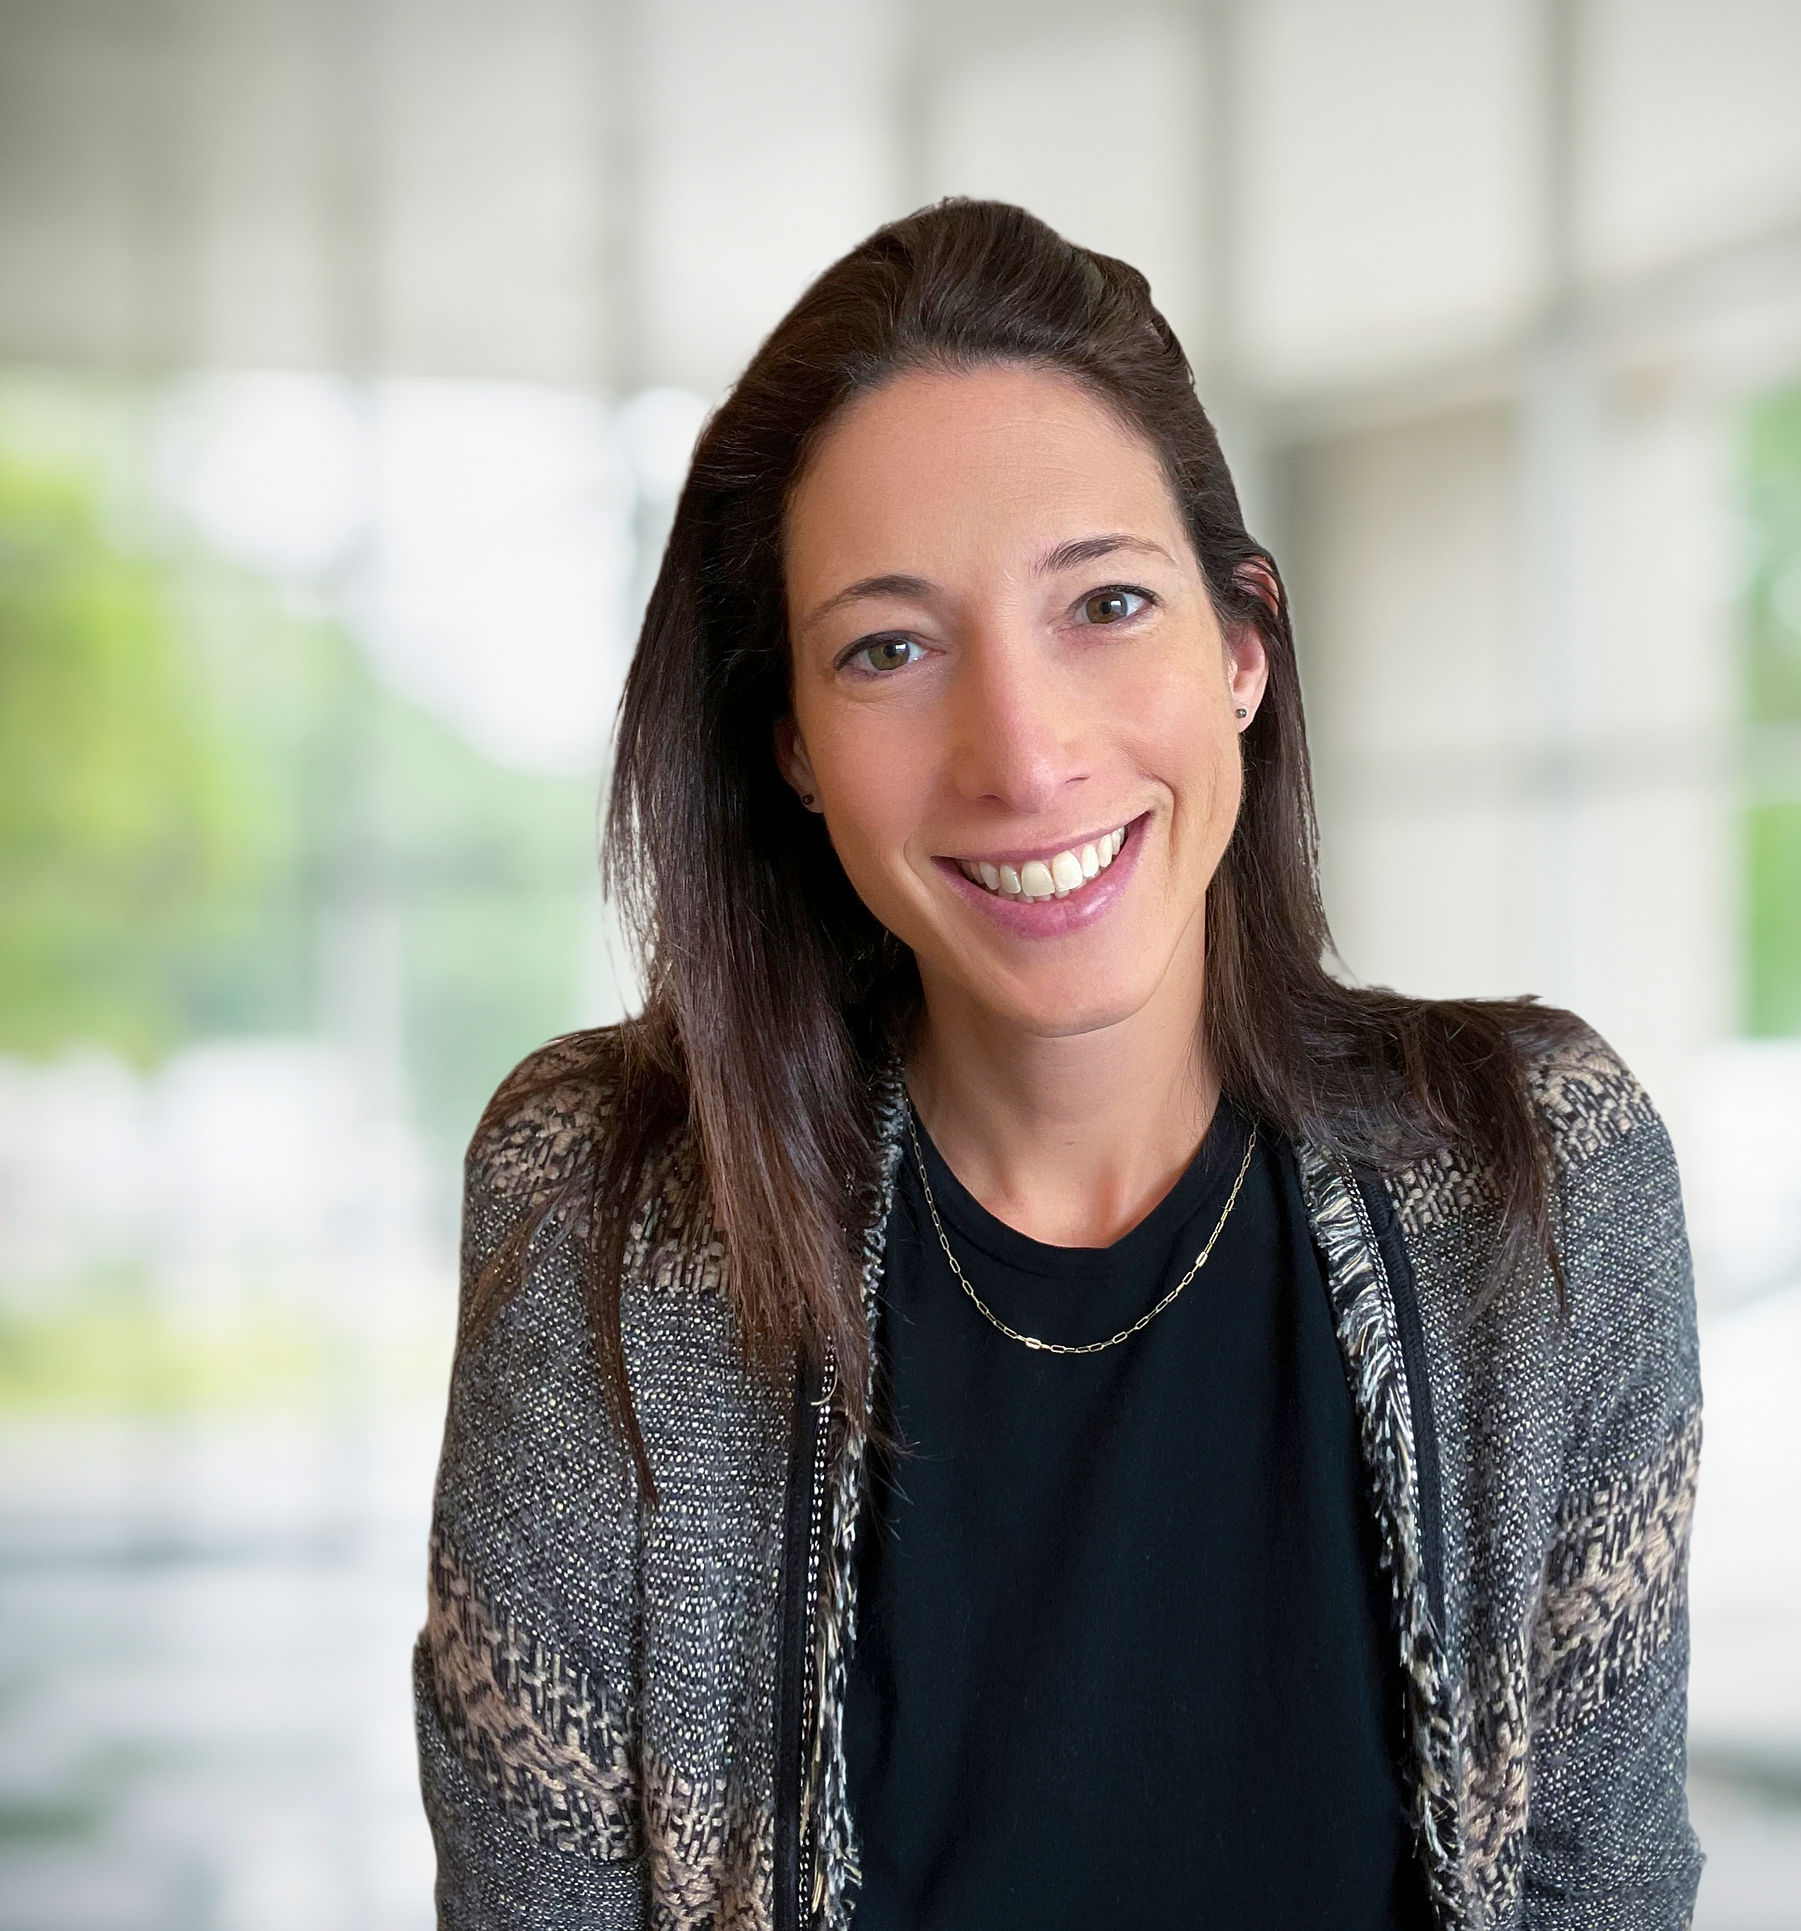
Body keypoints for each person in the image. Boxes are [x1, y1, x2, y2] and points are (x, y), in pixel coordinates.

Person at [413, 199, 1704, 1931]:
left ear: (1242, 648)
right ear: (791, 744)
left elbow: (1598, 1893)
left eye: (1104, 602)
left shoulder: (1540, 1180)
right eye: (890, 646)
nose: (1021, 754)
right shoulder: (605, 1212)